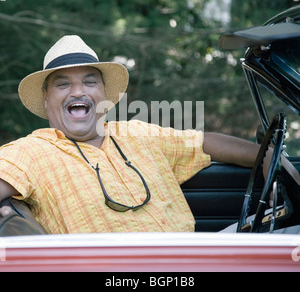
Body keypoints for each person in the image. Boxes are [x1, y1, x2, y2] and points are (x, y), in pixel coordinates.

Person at [0, 35, 298, 234]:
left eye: (89, 82)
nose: (78, 91)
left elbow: (204, 142)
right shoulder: (32, 150)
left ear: (103, 93)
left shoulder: (137, 132)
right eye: (63, 84)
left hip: (197, 259)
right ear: (47, 98)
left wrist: (267, 157)